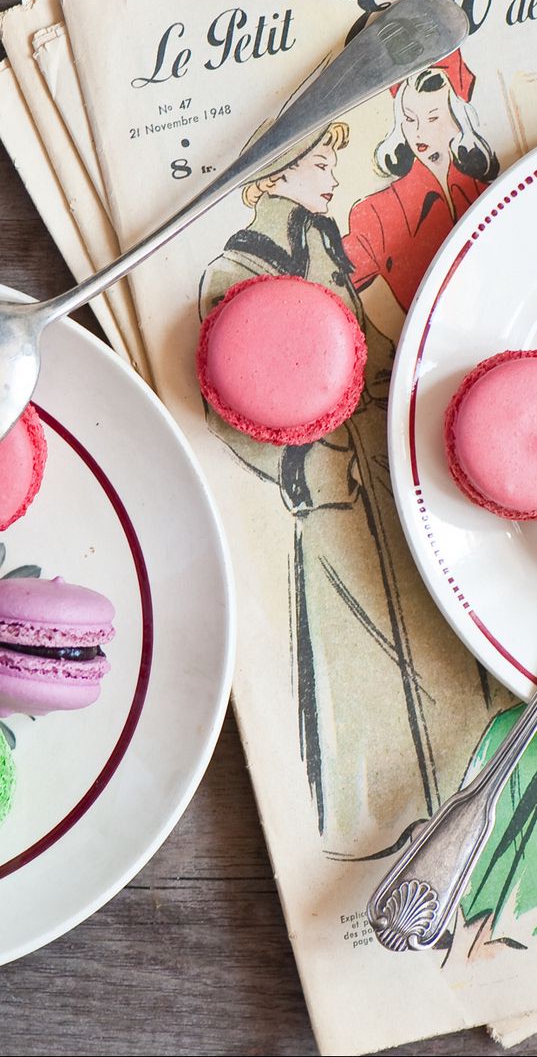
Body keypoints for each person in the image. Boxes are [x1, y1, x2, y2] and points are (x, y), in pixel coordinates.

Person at [199, 119, 503, 853]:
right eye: (315, 157)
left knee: (433, 647)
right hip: (336, 501)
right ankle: (378, 822)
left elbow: (366, 348)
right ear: (269, 178)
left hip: (387, 472)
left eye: (335, 151)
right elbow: (246, 423)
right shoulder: (238, 269)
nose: (333, 166)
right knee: (362, 662)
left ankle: (456, 799)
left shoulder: (318, 243)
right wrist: (323, 474)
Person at [343, 49, 499, 313]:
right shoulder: (375, 214)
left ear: (458, 119)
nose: (418, 132)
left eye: (432, 118)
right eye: (409, 119)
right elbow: (335, 285)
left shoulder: (494, 199)